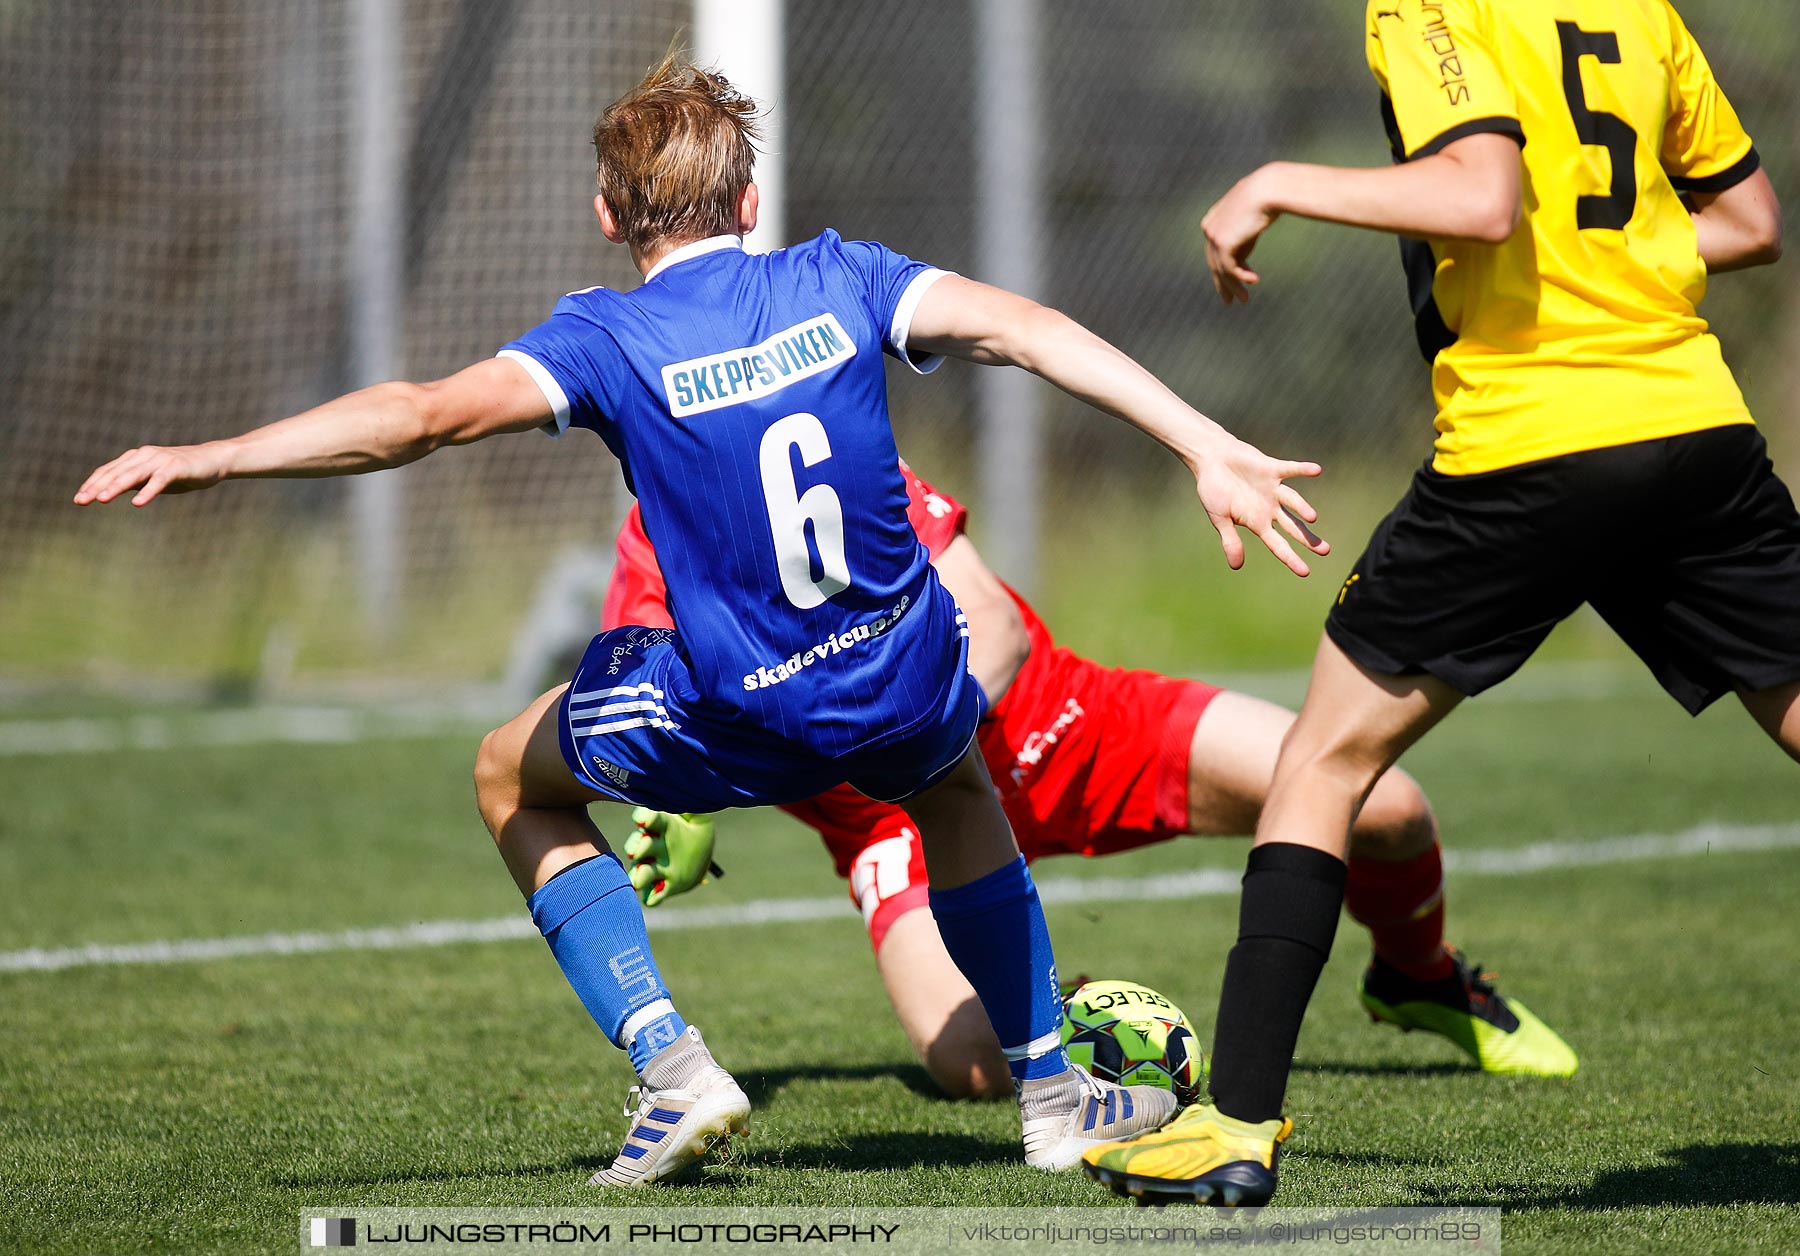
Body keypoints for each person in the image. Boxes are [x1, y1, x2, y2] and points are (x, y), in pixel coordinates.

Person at [73, 57, 1331, 1185]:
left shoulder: (607, 334)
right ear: (747, 205)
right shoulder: (843, 275)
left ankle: (672, 1067)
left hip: (745, 712)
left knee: (510, 774)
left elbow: (416, 416)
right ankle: (1056, 1099)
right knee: (954, 788)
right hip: (899, 673)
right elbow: (1031, 330)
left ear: (610, 216)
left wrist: (220, 454)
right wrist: (1206, 444)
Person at [1081, 0, 1793, 1207]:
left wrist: (1274, 180)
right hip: (1693, 425)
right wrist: (1606, 256)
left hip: (1531, 441)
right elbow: (1748, 220)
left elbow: (1482, 200)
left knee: (1322, 758)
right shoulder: (1639, 11)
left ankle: (1236, 1125)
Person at [609, 460, 1577, 1097]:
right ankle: (1066, 1008)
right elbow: (648, 719)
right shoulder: (648, 551)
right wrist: (682, 793)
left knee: (1390, 810)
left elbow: (995, 626)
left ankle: (1418, 975)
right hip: (892, 825)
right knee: (973, 1064)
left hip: (1065, 726)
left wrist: (879, 736)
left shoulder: (839, 461)